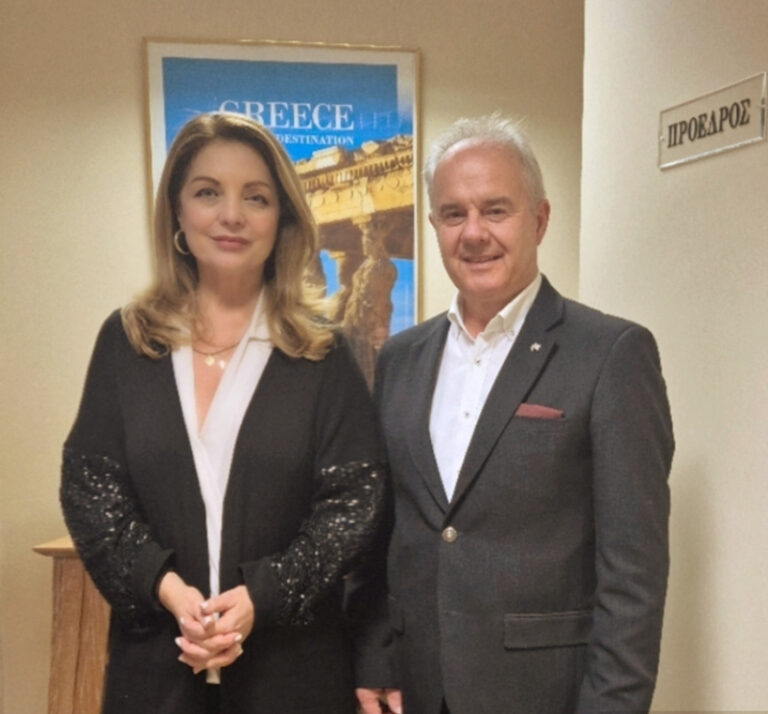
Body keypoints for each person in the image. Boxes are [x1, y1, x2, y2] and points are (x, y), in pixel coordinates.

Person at [60, 112, 386, 714]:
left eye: (255, 197)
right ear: (177, 212)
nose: (231, 215)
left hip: (294, 677)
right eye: (208, 192)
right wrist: (169, 591)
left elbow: (354, 504)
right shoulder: (128, 342)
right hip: (156, 672)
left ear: (282, 218)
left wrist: (264, 595)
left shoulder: (323, 352)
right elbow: (92, 490)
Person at [354, 114, 674, 714]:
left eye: (495, 210)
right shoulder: (400, 359)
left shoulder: (610, 354)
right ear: (434, 226)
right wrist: (376, 660)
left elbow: (634, 578)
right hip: (415, 691)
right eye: (454, 214)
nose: (474, 233)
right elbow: (382, 535)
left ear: (540, 219)